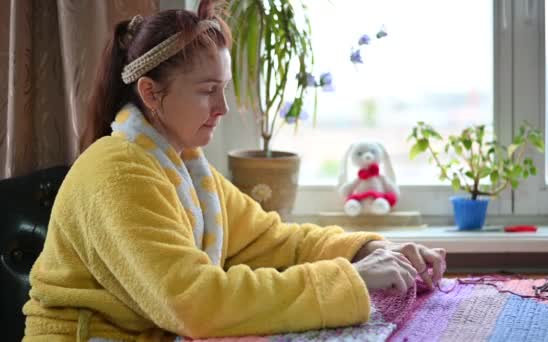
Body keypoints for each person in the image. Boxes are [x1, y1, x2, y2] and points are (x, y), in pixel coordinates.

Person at [23, 2, 446, 341]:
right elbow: (195, 304)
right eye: (208, 91)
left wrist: (368, 249)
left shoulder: (184, 166)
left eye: (223, 88)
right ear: (151, 93)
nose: (223, 108)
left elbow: (275, 239)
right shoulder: (117, 173)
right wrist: (348, 279)